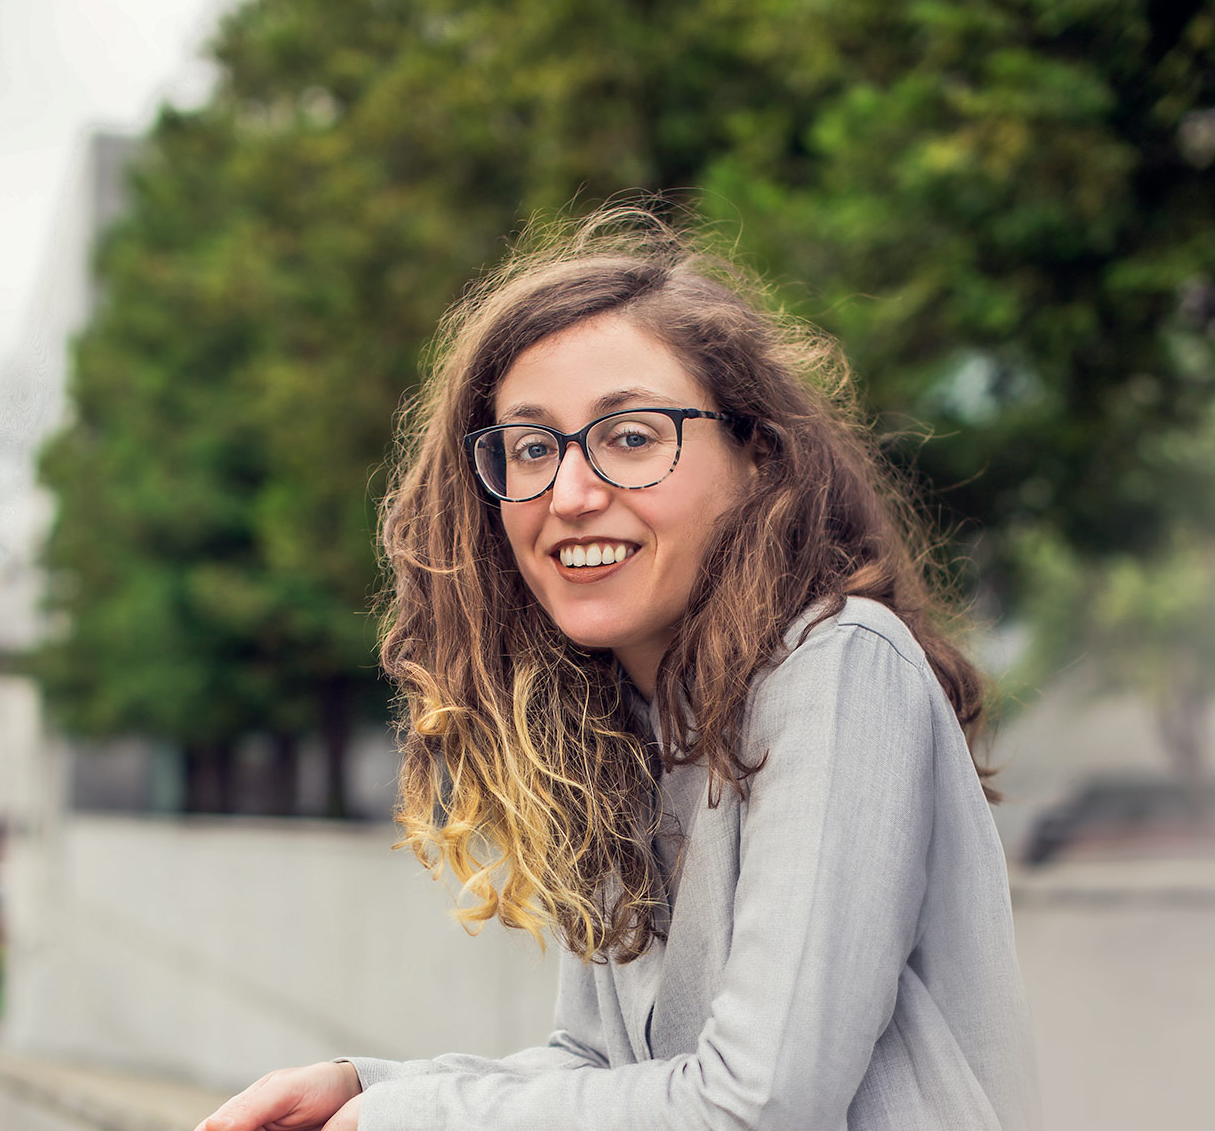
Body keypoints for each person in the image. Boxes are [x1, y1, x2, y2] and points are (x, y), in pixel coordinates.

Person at [197, 206, 1041, 1131]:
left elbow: (757, 1103)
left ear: (758, 455)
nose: (569, 493)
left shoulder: (837, 666)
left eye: (631, 436)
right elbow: (600, 1066)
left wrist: (411, 1121)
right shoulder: (616, 727)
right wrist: (372, 1089)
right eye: (530, 447)